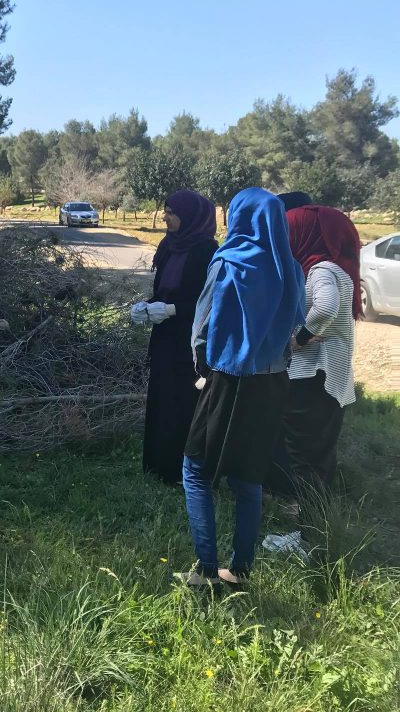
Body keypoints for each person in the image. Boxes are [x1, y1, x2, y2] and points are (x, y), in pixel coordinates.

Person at [177, 187, 306, 590]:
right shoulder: (291, 267)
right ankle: (240, 571)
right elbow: (297, 324)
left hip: (229, 379)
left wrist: (202, 371)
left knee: (195, 471)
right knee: (248, 478)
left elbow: (201, 327)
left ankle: (204, 570)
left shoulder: (228, 261)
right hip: (272, 384)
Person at [263, 205, 360, 556]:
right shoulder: (335, 270)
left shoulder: (321, 270)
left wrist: (298, 339)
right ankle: (315, 533)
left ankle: (307, 542)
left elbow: (326, 307)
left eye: (290, 231)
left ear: (306, 235)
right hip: (327, 382)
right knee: (318, 462)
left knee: (305, 461)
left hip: (313, 380)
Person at [131, 190, 219, 485]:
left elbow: (209, 300)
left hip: (190, 338)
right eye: (165, 211)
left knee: (183, 399)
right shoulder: (168, 245)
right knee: (161, 396)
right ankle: (158, 464)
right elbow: (163, 289)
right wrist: (148, 307)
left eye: (171, 213)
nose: (165, 217)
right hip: (164, 335)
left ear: (190, 216)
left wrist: (172, 309)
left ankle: (181, 470)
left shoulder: (207, 251)